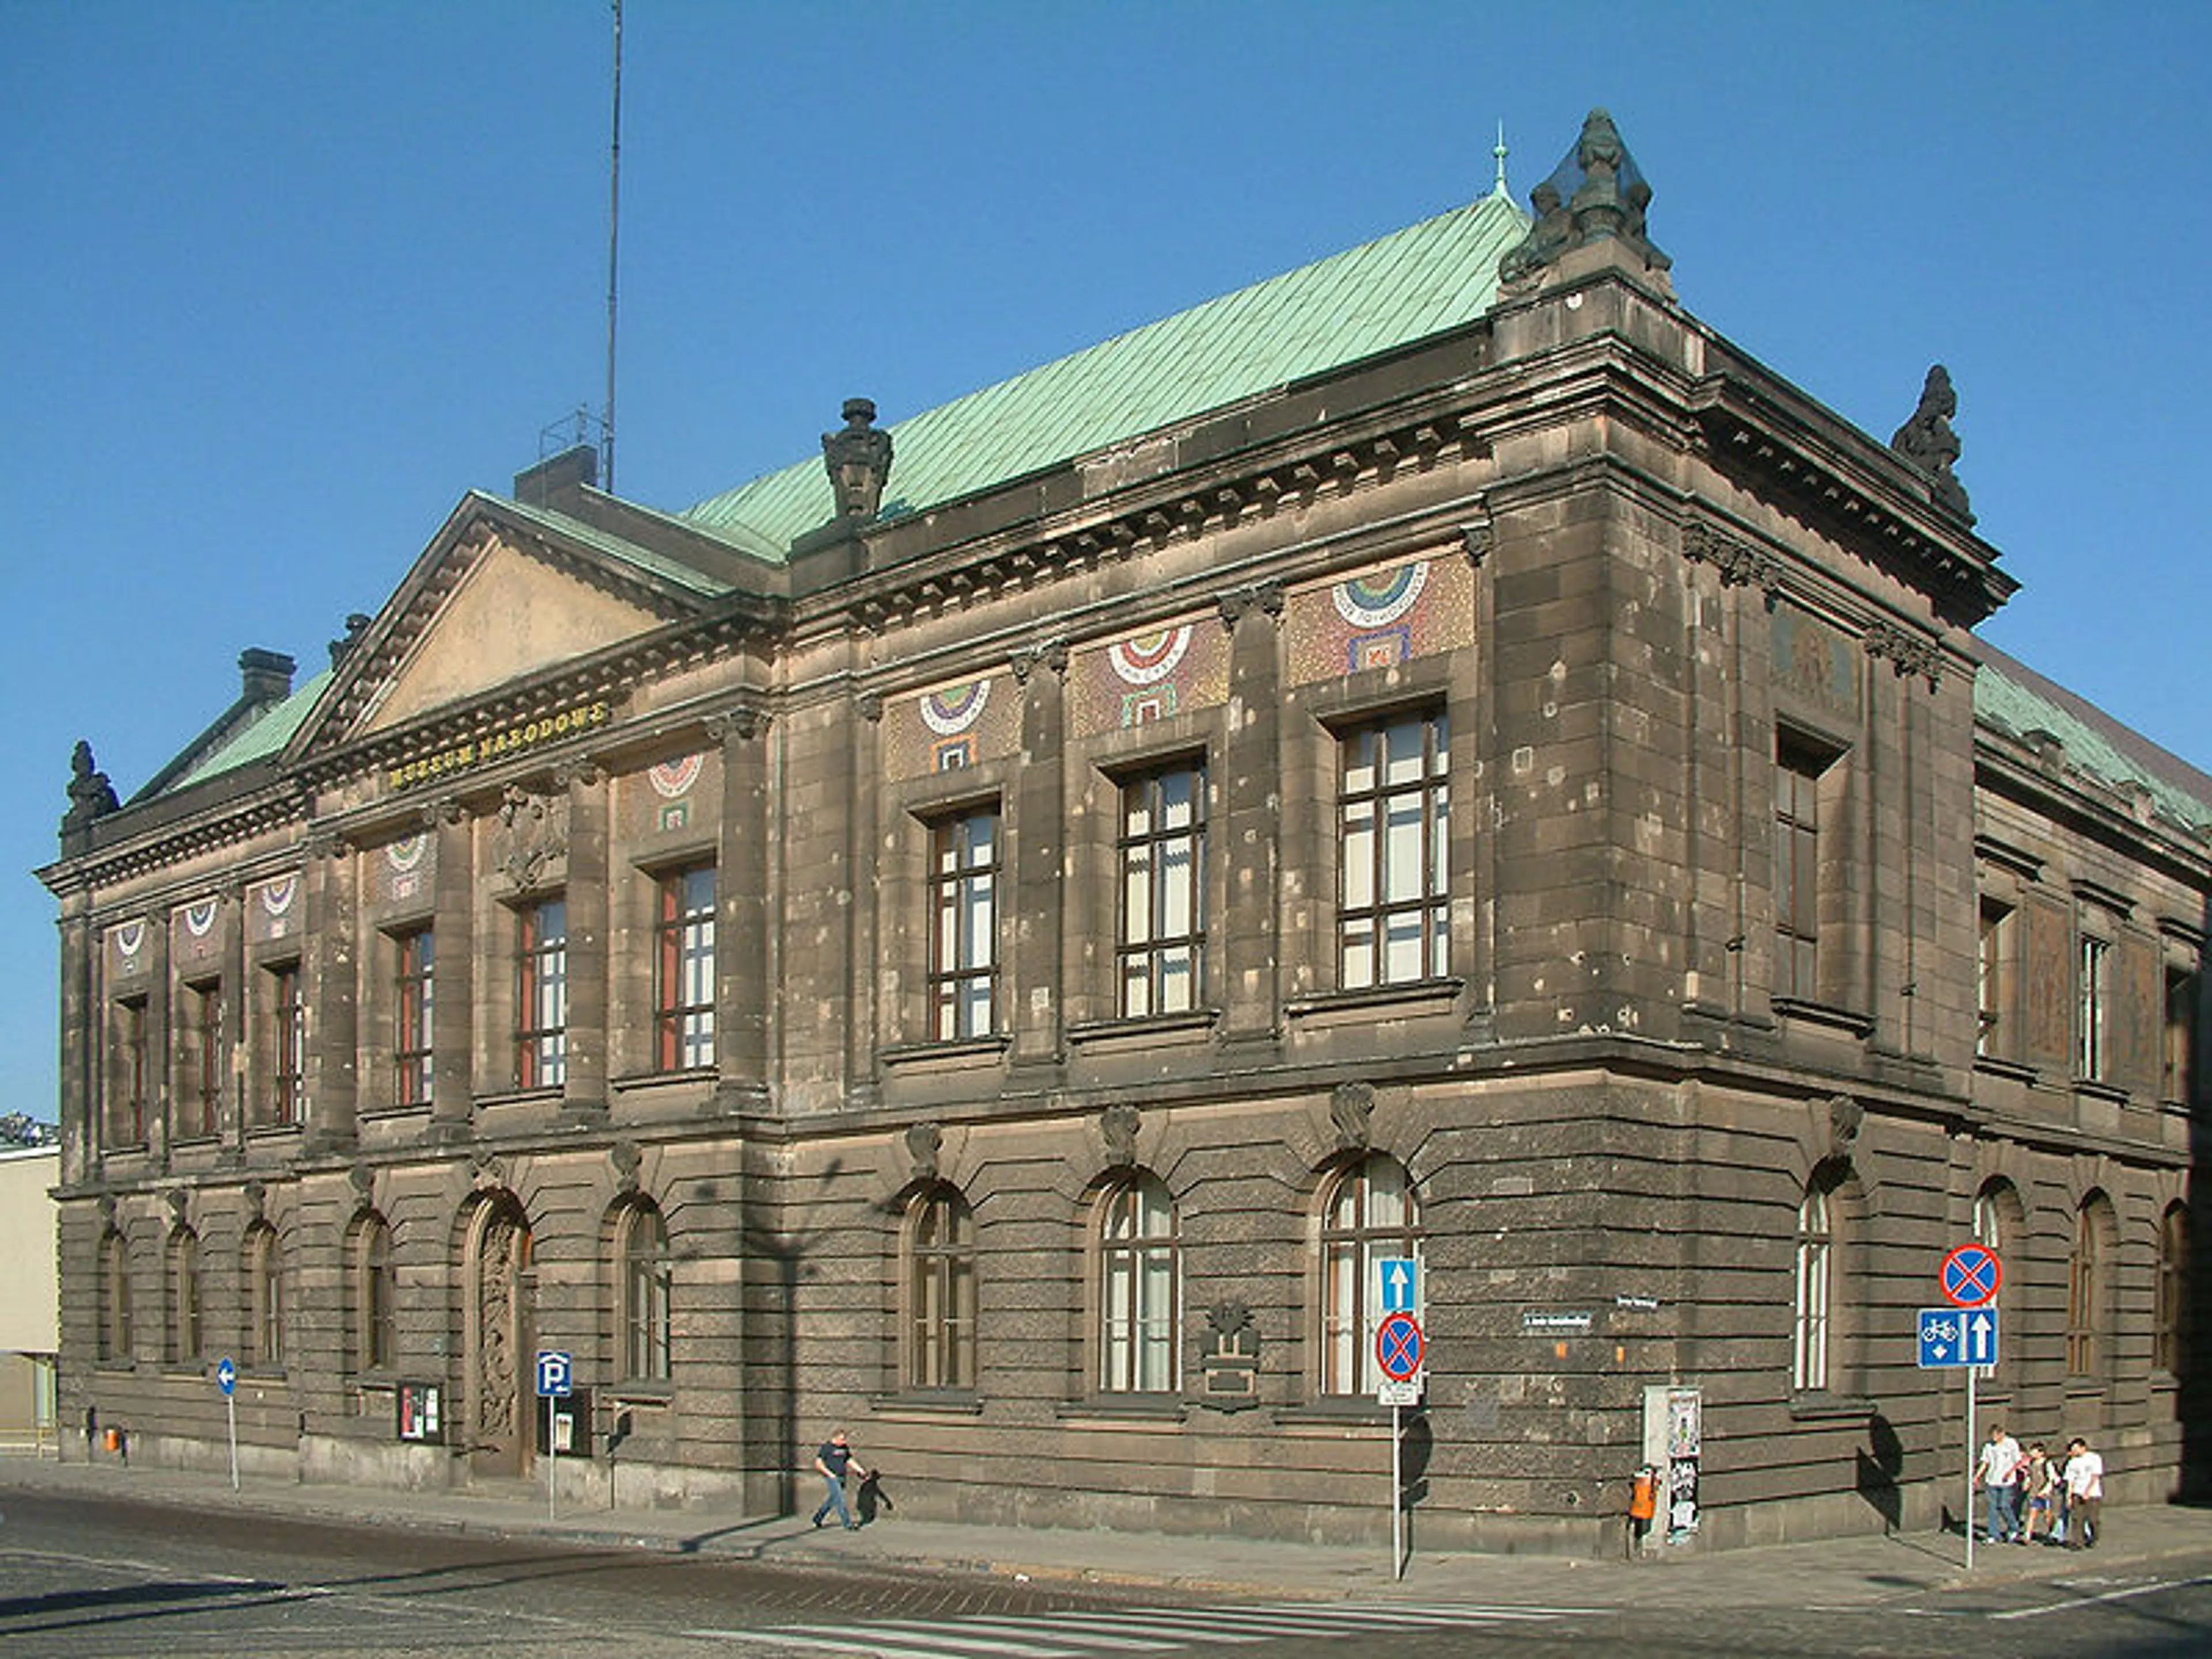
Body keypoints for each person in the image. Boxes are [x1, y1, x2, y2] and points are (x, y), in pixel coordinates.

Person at [810, 1429, 869, 1531]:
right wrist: (830, 1474)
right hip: (833, 1478)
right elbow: (818, 1463)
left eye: (845, 1439)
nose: (844, 1442)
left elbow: (849, 1460)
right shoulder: (827, 1448)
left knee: (832, 1500)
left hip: (842, 1476)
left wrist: (861, 1471)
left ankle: (817, 1519)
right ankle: (848, 1524)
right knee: (840, 1500)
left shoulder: (844, 1448)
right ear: (835, 1438)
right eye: (842, 1439)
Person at [1975, 1423, 2022, 1543]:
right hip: (1992, 1480)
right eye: (1992, 1437)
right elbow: (1985, 1463)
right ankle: (1993, 1534)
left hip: (2007, 1481)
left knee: (2004, 1506)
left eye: (1996, 1436)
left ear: (2002, 1434)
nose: (1994, 1439)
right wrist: (1976, 1477)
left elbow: (2018, 1461)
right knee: (1992, 1508)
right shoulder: (1988, 1447)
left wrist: (2010, 1472)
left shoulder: (2011, 1444)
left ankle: (2014, 1527)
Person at [2062, 1435, 2103, 1549]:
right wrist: (2069, 1496)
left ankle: (2094, 1537)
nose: (2074, 1451)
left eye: (2076, 1449)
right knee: (2077, 1519)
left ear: (2083, 1447)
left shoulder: (2094, 1458)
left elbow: (2095, 1476)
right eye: (2073, 1449)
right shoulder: (2072, 1463)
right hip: (2077, 1492)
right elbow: (2070, 1480)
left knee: (2092, 1519)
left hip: (2093, 1493)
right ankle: (2078, 1542)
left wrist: (2088, 1491)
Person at [2018, 1442, 2055, 1545]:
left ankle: (2052, 1532)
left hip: (2044, 1492)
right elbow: (2029, 1476)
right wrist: (2027, 1484)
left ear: (2041, 1453)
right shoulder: (2032, 1463)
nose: (2031, 1453)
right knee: (2032, 1513)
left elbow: (2051, 1478)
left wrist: (2045, 1490)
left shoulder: (2047, 1463)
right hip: (2034, 1492)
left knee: (2047, 1514)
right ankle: (2027, 1534)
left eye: (2034, 1451)